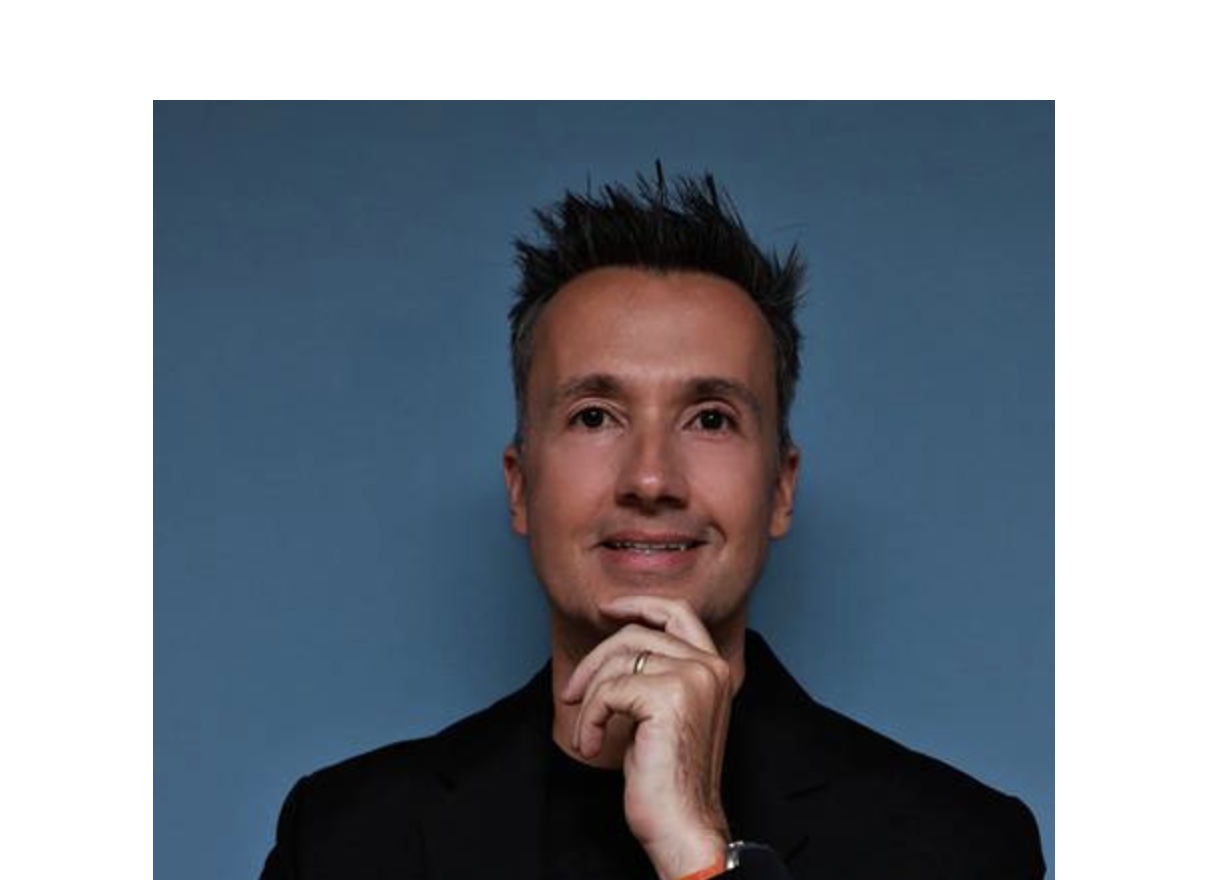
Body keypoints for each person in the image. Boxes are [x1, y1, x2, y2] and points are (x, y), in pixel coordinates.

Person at [258, 169, 1046, 879]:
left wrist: (699, 857)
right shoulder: (342, 839)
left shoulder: (964, 849)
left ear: (780, 489)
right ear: (520, 487)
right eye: (594, 415)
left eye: (711, 418)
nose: (650, 480)